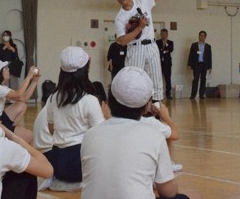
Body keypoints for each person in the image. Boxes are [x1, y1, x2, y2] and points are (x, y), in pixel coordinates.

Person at [81, 66, 201, 199]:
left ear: (109, 100)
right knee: (194, 195)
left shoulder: (89, 135)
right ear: (146, 106)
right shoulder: (154, 136)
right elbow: (169, 192)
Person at [112, 0, 178, 102]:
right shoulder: (120, 17)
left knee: (156, 82)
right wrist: (139, 28)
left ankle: (157, 112)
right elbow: (122, 40)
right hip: (135, 49)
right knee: (133, 83)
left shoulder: (143, 1)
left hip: (152, 46)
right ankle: (134, 112)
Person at [46, 46, 105, 187]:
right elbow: (101, 135)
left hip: (58, 162)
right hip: (81, 164)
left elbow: (51, 129)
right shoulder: (89, 100)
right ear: (86, 70)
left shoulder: (53, 98)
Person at [0, 59, 38, 143]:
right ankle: (8, 135)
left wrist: (35, 81)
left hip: (0, 118)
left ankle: (8, 133)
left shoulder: (1, 87)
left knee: (22, 105)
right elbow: (18, 94)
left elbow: (23, 98)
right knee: (29, 136)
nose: (8, 69)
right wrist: (28, 77)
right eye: (5, 68)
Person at [187, 31, 212, 99]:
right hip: (196, 64)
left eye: (203, 36)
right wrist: (189, 64)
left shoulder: (208, 46)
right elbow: (191, 55)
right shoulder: (194, 45)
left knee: (203, 79)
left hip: (204, 64)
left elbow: (209, 57)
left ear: (205, 37)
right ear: (198, 36)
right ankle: (193, 95)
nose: (202, 37)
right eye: (200, 35)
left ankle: (201, 95)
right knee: (196, 79)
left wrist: (210, 67)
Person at [156, 28, 174, 99]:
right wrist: (165, 51)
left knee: (167, 79)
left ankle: (168, 94)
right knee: (158, 79)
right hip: (159, 63)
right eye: (162, 34)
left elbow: (171, 49)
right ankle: (158, 94)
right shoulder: (157, 42)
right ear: (160, 35)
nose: (163, 36)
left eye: (165, 34)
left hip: (167, 63)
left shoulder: (170, 42)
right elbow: (157, 50)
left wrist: (166, 45)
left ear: (167, 35)